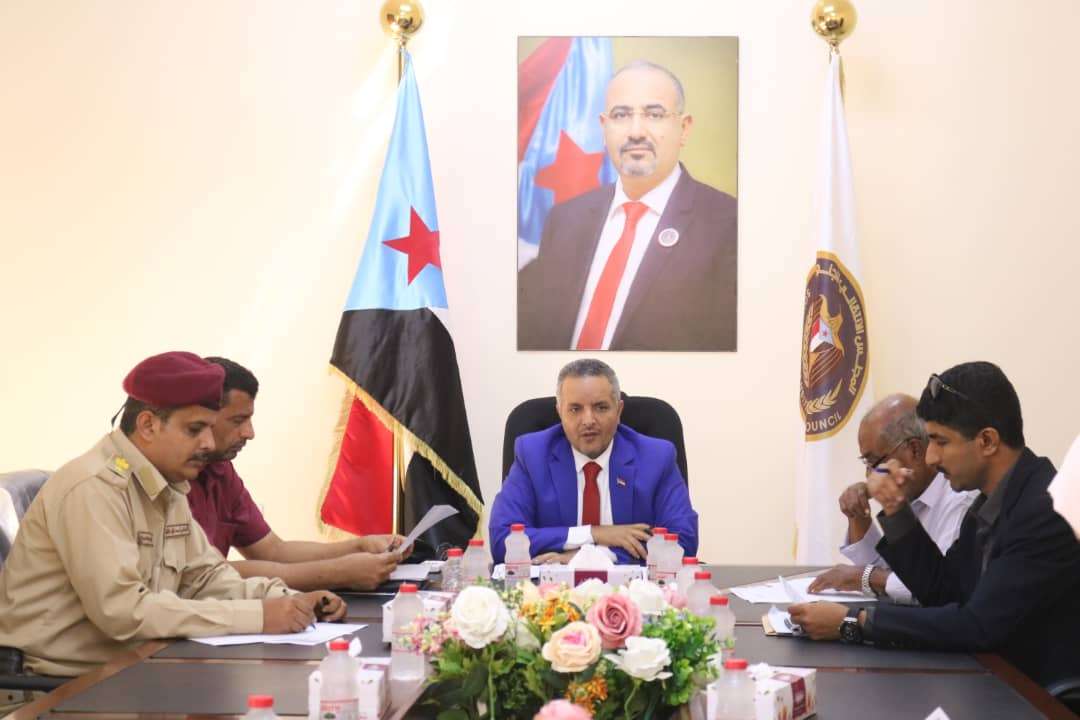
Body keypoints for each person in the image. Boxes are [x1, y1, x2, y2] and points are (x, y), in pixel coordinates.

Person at [0, 352, 345, 677]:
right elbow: (123, 613)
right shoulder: (94, 488)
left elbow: (205, 578)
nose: (209, 443)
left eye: (210, 428)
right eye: (195, 429)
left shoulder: (166, 482)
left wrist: (288, 600)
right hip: (60, 687)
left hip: (134, 671)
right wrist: (258, 616)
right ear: (148, 425)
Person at [789, 361, 1080, 686]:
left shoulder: (1044, 509)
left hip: (1034, 696)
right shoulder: (990, 500)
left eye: (940, 442)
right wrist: (896, 509)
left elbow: (977, 625)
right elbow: (943, 591)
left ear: (987, 441)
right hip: (990, 680)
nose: (930, 458)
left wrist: (854, 621)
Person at [517, 60, 737, 351]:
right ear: (603, 127)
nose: (636, 132)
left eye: (654, 114)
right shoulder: (565, 219)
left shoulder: (729, 225)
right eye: (620, 115)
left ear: (683, 129)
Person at [192, 357, 407, 591]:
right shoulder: (171, 478)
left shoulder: (221, 471)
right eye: (238, 421)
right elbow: (206, 575)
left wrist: (360, 547)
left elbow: (273, 551)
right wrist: (338, 573)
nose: (249, 433)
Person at [488, 358, 697, 564]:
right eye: (575, 409)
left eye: (601, 407)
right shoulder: (532, 454)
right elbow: (503, 541)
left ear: (619, 411)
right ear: (560, 412)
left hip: (632, 585)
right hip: (551, 585)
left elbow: (683, 542)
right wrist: (595, 533)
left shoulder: (656, 457)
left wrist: (593, 557)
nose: (588, 420)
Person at [808, 394, 976, 603]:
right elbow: (886, 570)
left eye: (873, 461)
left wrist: (863, 578)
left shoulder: (960, 500)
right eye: (866, 464)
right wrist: (858, 515)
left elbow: (938, 590)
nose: (870, 475)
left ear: (914, 450)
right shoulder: (912, 491)